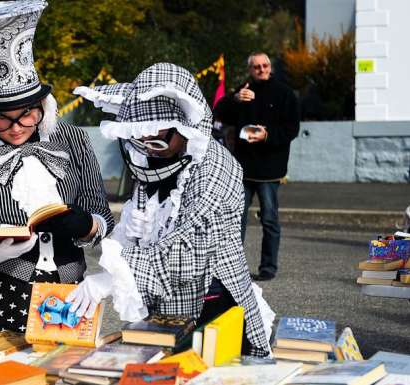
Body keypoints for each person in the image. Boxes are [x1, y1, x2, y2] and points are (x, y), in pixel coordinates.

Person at [0, 1, 114, 335]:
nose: (16, 128)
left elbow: (103, 217)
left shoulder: (72, 140)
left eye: (27, 115)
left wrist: (87, 224)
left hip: (72, 291)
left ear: (44, 108)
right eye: (1, 117)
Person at [69, 63, 271, 356]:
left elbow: (188, 251)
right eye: (139, 138)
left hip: (214, 303)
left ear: (184, 126)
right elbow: (142, 218)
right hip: (166, 309)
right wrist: (133, 232)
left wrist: (113, 277)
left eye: (156, 138)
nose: (148, 148)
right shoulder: (154, 158)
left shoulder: (215, 167)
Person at [228, 52, 300, 281]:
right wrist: (236, 100)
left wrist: (267, 135)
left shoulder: (284, 93)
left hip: (270, 169)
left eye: (265, 65)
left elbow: (292, 130)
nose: (261, 69)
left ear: (270, 67)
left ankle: (268, 267)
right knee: (235, 218)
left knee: (269, 218)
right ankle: (232, 267)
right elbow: (220, 113)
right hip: (243, 168)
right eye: (256, 66)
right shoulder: (243, 90)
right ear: (250, 69)